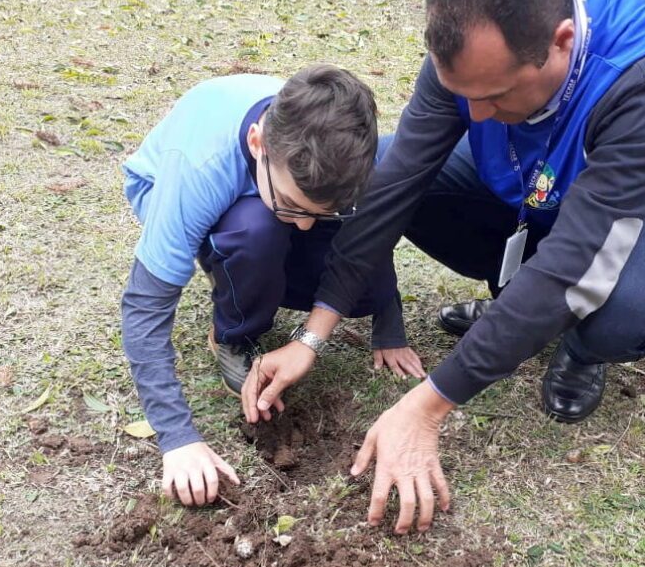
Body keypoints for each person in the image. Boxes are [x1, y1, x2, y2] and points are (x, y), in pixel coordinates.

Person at [241, 0, 645, 533]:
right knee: (384, 169)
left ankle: (579, 347)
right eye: (463, 95)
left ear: (560, 43)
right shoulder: (477, 33)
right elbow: (396, 184)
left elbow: (574, 263)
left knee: (618, 312)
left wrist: (427, 407)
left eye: (495, 95)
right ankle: (517, 309)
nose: (474, 115)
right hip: (541, 183)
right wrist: (314, 331)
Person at [120, 65, 424, 507]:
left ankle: (277, 232)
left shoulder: (345, 155)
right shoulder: (196, 171)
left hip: (272, 193)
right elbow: (144, 309)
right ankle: (233, 332)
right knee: (257, 230)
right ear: (257, 144)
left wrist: (387, 316)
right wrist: (178, 439)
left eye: (317, 213)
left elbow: (369, 237)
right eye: (294, 206)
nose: (303, 224)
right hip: (192, 199)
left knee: (347, 274)